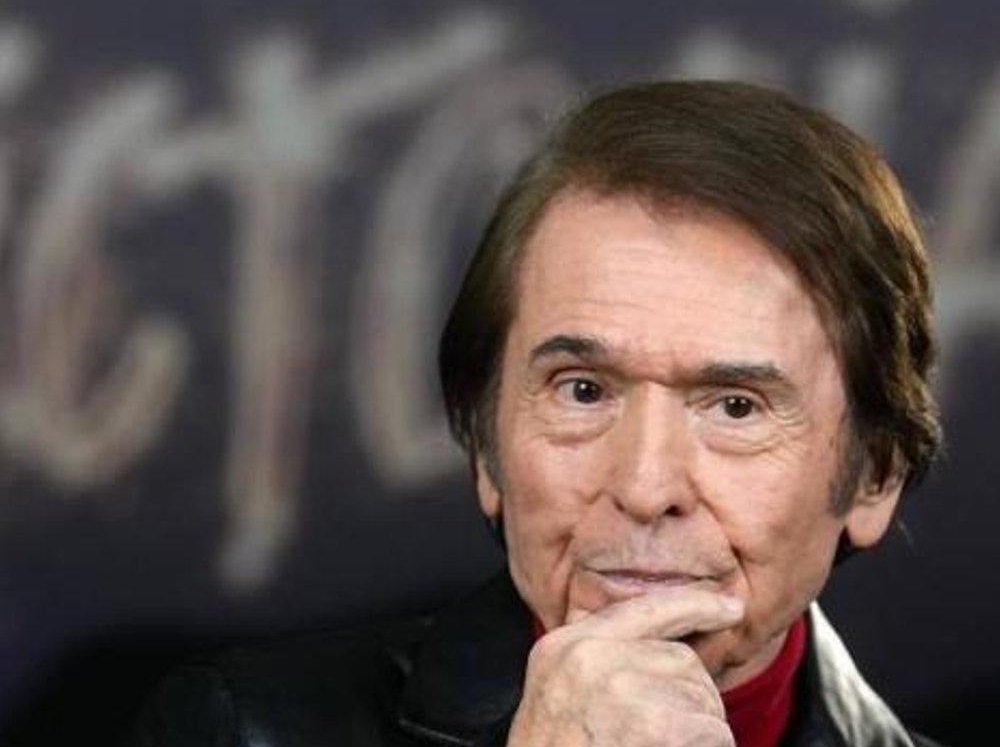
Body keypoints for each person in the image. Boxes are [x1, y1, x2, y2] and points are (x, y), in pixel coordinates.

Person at [134, 81, 944, 747]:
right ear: (487, 450)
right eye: (583, 391)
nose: (645, 487)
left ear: (874, 477)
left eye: (735, 407)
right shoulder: (238, 730)